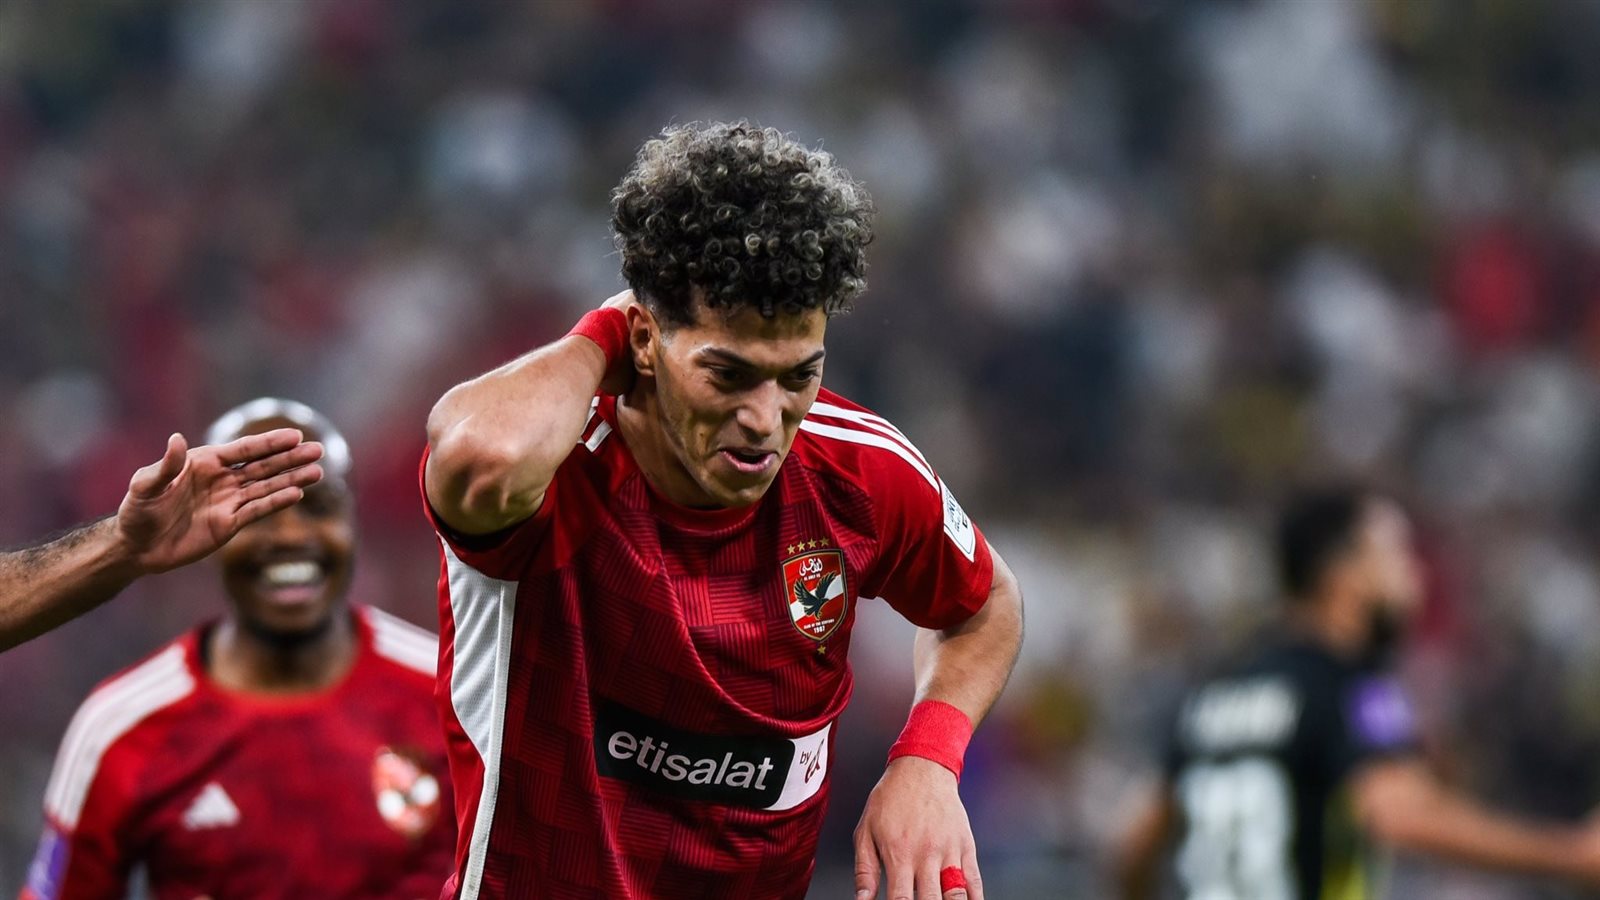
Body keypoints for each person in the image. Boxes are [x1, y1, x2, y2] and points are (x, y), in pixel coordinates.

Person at [422, 121, 1025, 900]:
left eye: (797, 376)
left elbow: (986, 604)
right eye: (728, 375)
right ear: (645, 340)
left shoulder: (856, 472)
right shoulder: (556, 469)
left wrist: (928, 760)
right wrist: (604, 334)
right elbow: (484, 459)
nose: (765, 419)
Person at [21, 398, 455, 900]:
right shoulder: (120, 727)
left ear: (354, 523)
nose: (291, 536)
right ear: (204, 533)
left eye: (318, 507)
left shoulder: (448, 693)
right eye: (256, 511)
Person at [1116, 485, 1600, 900]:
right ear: (1344, 573)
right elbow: (1400, 815)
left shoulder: (1215, 692)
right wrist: (1570, 854)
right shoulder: (1355, 686)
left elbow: (1133, 848)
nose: (1415, 574)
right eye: (1396, 553)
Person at [0, 428, 324, 651]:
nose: (289, 536)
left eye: (320, 509)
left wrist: (125, 545)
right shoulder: (125, 715)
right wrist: (124, 545)